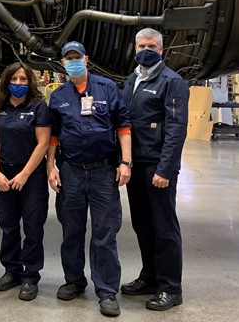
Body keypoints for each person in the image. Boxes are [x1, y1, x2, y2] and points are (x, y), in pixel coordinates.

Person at [47, 41, 132, 317]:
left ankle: (107, 290)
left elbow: (123, 126)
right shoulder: (59, 96)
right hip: (71, 170)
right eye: (68, 58)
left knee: (104, 233)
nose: (73, 62)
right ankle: (74, 280)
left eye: (77, 57)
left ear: (86, 58)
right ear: (62, 63)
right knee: (71, 230)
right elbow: (53, 136)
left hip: (103, 171)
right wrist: (51, 167)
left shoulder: (106, 88)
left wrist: (126, 162)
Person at [120, 28, 189, 311]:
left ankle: (171, 288)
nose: (145, 49)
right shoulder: (132, 79)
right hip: (135, 165)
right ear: (134, 48)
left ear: (161, 50)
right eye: (140, 45)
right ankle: (149, 277)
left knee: (164, 228)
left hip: (157, 168)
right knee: (142, 225)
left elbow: (176, 129)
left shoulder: (172, 82)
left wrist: (165, 169)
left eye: (151, 45)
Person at [0, 62, 51, 301]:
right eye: (14, 79)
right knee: (8, 226)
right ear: (6, 81)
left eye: (23, 80)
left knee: (33, 227)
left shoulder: (38, 107)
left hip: (31, 177)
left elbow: (43, 143)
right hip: (4, 173)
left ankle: (30, 277)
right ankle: (11, 271)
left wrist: (24, 174)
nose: (18, 84)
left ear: (30, 83)